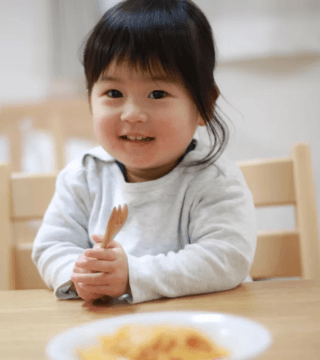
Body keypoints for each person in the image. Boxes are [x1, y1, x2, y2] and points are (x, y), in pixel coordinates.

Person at [32, 0, 257, 304]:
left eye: (157, 93)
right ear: (90, 100)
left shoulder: (213, 177)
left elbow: (226, 257)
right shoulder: (83, 176)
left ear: (205, 105)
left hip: (202, 326)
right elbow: (52, 246)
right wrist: (79, 275)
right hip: (112, 332)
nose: (132, 113)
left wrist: (133, 275)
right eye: (114, 93)